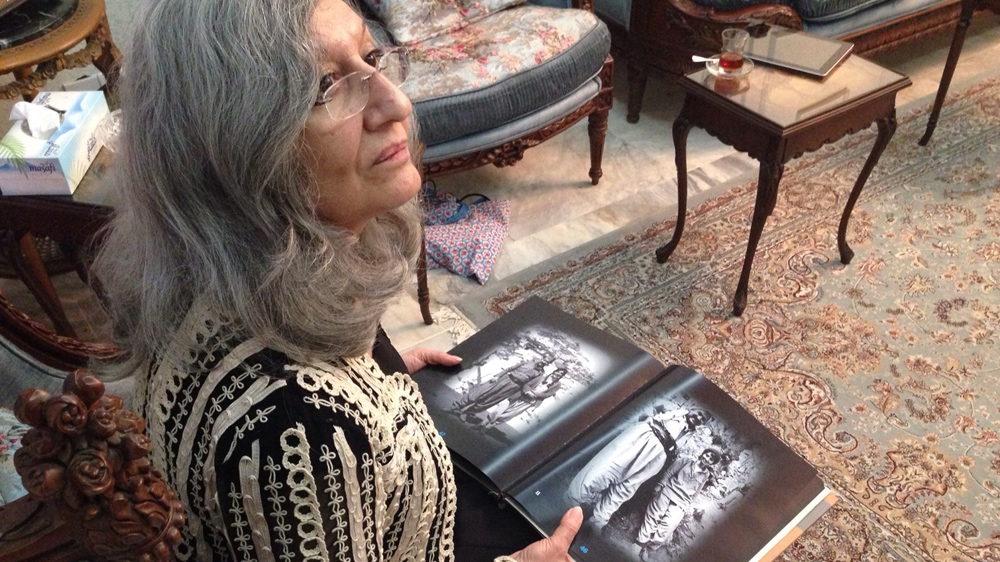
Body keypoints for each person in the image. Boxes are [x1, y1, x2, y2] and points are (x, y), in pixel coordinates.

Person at [91, 0, 581, 560]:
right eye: (326, 85)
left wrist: (376, 378)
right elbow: (290, 424)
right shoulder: (296, 427)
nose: (396, 103)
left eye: (370, 58)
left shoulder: (234, 274)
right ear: (237, 150)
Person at [566, 407, 710, 528]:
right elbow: (648, 413)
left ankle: (595, 524)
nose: (698, 418)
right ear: (692, 408)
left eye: (702, 419)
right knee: (606, 470)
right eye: (698, 413)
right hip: (643, 438)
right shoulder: (675, 411)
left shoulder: (691, 435)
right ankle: (569, 502)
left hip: (658, 456)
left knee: (626, 489)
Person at [635, 448, 723, 560]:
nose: (707, 458)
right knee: (653, 517)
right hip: (668, 491)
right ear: (703, 453)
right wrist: (660, 485)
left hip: (682, 501)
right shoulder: (686, 460)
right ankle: (639, 544)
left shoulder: (705, 475)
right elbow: (670, 472)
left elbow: (697, 491)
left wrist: (688, 504)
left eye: (711, 459)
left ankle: (648, 547)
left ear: (712, 463)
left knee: (669, 526)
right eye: (708, 455)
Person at [454, 360, 553, 423]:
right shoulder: (528, 362)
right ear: (542, 358)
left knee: (490, 400)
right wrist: (498, 376)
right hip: (505, 378)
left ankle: (467, 413)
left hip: (514, 387)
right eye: (544, 359)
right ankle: (457, 406)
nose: (544, 362)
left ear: (547, 364)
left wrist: (519, 394)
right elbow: (510, 368)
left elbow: (528, 384)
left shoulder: (540, 373)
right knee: (483, 392)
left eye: (547, 362)